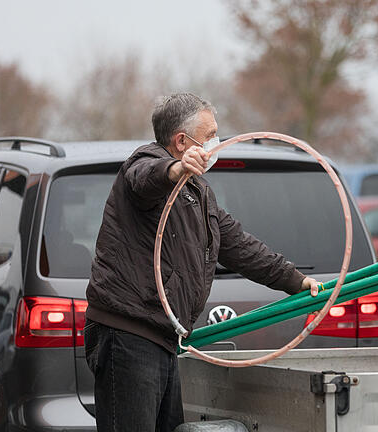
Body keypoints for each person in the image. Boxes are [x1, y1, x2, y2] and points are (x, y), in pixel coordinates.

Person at [83, 93, 319, 431]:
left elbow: (239, 245)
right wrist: (175, 168)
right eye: (209, 135)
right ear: (182, 141)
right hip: (128, 333)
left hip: (164, 337)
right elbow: (144, 178)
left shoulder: (198, 192)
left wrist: (295, 280)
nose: (215, 142)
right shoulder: (147, 164)